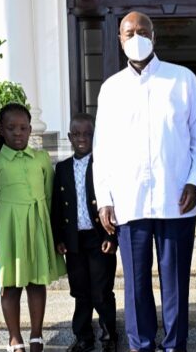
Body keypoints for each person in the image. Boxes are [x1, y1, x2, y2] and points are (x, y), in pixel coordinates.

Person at [92, 11, 196, 352]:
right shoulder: (111, 89)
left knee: (175, 284)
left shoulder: (182, 79)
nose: (136, 37)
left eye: (142, 31)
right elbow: (102, 149)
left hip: (176, 200)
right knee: (136, 285)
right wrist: (104, 199)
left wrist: (193, 182)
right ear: (119, 39)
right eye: (129, 32)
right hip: (130, 202)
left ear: (154, 36)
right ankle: (141, 345)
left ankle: (175, 346)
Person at [0, 104, 67, 352]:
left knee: (37, 282)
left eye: (24, 128)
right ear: (1, 131)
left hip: (37, 226)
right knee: (11, 284)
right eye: (11, 128)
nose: (18, 133)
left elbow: (50, 199)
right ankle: (14, 337)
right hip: (9, 230)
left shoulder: (41, 159)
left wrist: (55, 234)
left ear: (30, 130)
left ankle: (36, 335)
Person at [52, 113, 119, 352]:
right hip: (73, 240)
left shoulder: (104, 166)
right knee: (80, 291)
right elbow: (57, 207)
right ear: (70, 137)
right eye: (77, 134)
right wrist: (58, 238)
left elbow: (114, 203)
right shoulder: (61, 168)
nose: (82, 138)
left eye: (88, 134)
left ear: (95, 135)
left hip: (99, 237)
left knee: (101, 291)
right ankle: (83, 337)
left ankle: (109, 336)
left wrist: (112, 236)